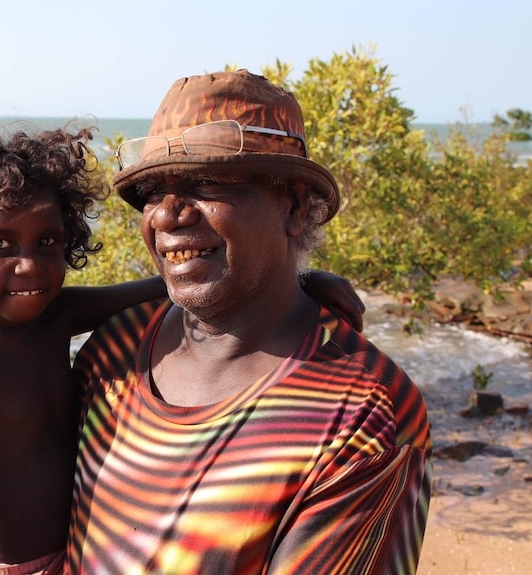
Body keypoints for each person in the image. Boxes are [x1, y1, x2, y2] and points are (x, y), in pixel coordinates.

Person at [0, 117, 364, 575]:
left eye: (47, 242)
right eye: (0, 246)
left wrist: (298, 277)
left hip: (81, 555)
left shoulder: (57, 316)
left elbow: (170, 284)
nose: (29, 265)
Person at [65, 70, 432, 575]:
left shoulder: (360, 416)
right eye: (153, 190)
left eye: (207, 182)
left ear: (295, 207)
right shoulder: (115, 348)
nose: (168, 213)